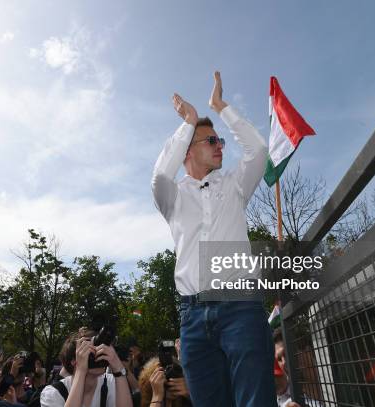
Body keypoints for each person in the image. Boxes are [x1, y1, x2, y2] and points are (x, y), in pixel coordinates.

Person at [151, 71, 275, 406]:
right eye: (212, 141)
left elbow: (259, 149)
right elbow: (161, 173)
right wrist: (188, 122)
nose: (221, 146)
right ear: (189, 151)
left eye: (220, 141)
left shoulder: (234, 186)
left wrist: (220, 107)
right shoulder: (172, 197)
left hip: (241, 309)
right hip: (192, 319)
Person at [39, 330, 132, 407]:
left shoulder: (111, 382)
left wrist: (118, 368)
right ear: (73, 361)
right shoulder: (53, 393)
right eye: (91, 352)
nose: (97, 356)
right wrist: (80, 370)